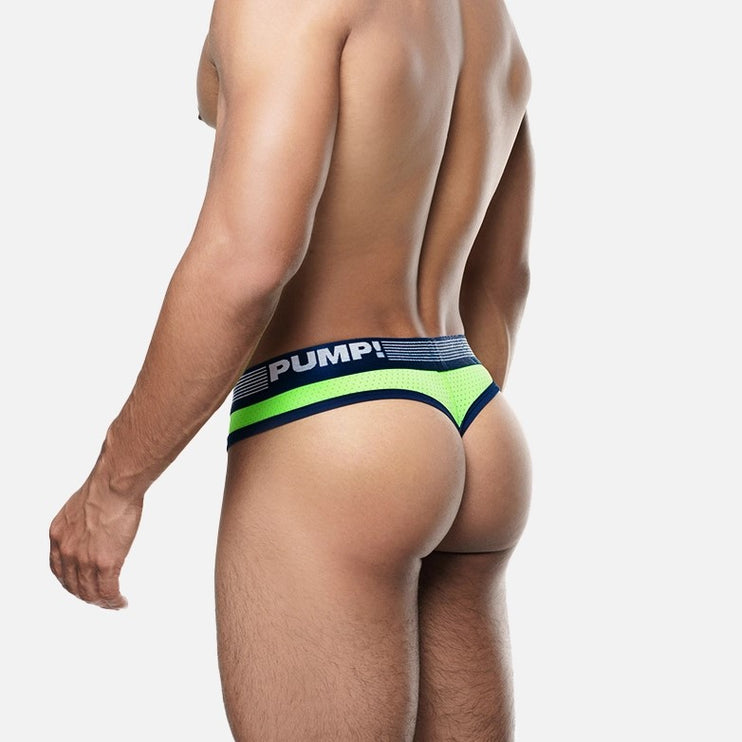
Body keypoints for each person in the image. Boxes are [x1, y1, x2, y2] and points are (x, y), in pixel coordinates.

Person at [49, 0, 533, 739]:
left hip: (335, 415)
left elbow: (248, 261)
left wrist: (113, 487)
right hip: (469, 403)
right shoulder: (486, 16)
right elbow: (503, 280)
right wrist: (431, 451)